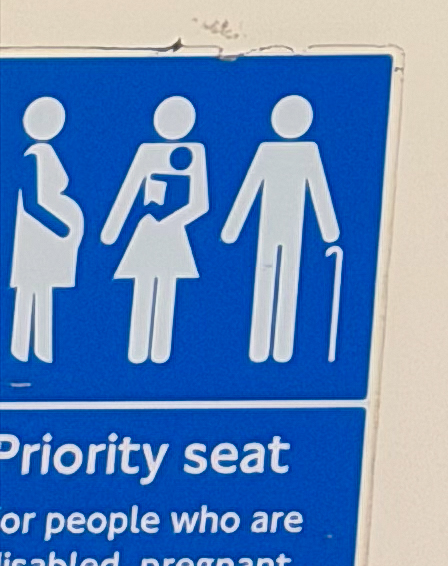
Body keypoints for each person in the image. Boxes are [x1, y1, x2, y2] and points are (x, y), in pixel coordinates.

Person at [221, 96, 340, 364]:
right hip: (270, 227)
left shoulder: (307, 152)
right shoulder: (267, 151)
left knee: (287, 283)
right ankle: (260, 347)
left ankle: (283, 348)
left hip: (292, 227)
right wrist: (233, 227)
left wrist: (328, 230)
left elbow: (318, 190)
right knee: (267, 279)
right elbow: (249, 188)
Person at [100, 93, 209, 365]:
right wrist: (112, 230)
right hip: (146, 231)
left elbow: (200, 203)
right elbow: (128, 192)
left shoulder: (194, 153)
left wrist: (170, 219)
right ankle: (137, 350)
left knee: (167, 288)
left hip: (170, 233)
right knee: (144, 286)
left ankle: (160, 351)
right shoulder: (147, 151)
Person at [10, 97, 82, 363]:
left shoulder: (48, 152)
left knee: (44, 292)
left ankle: (41, 352)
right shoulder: (32, 156)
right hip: (36, 234)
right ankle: (21, 353)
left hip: (46, 237)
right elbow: (32, 202)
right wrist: (64, 229)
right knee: (29, 290)